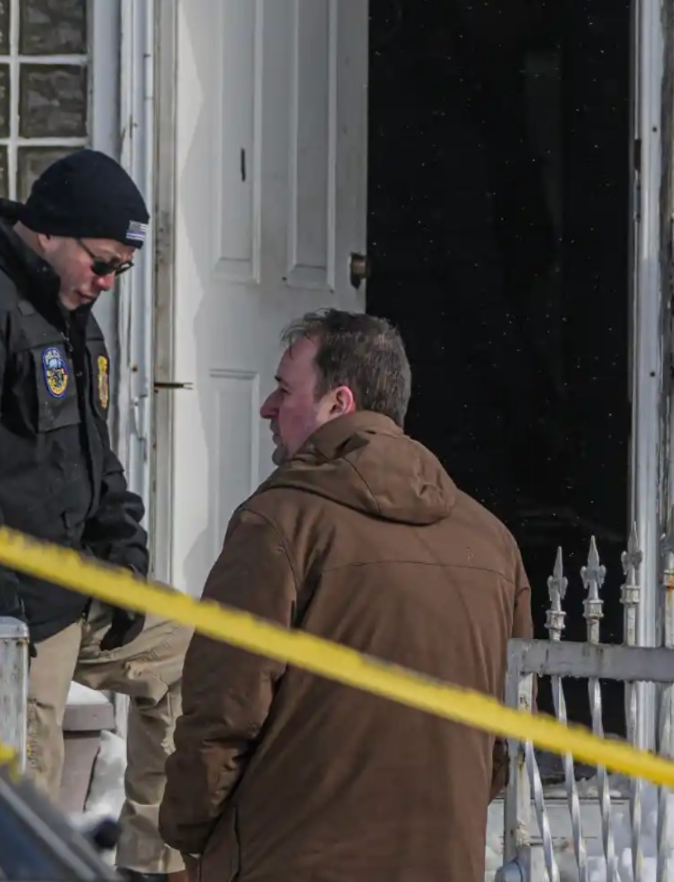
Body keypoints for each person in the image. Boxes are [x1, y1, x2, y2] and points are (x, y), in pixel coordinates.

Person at [0, 148, 190, 882]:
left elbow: (98, 461)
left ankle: (155, 862)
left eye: (122, 270)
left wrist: (126, 553)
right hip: (1, 604)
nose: (107, 283)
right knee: (30, 780)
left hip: (75, 588)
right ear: (50, 232)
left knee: (199, 662)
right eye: (102, 263)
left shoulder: (74, 318)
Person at [162, 310, 534, 882]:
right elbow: (510, 725)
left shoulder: (280, 523)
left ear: (339, 404)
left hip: (287, 857)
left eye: (285, 390)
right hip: (440, 857)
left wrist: (189, 833)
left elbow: (223, 709)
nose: (266, 407)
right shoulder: (492, 542)